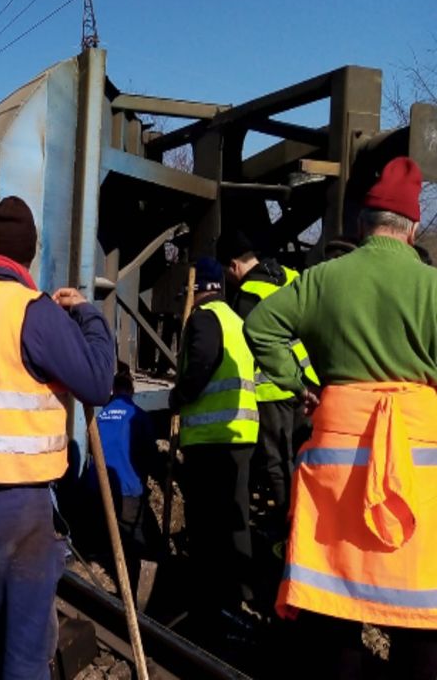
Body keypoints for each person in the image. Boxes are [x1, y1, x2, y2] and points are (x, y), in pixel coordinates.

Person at [244, 156, 437, 679]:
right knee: (420, 606)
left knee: (336, 603)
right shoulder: (431, 286)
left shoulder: (324, 279)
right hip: (419, 471)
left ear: (362, 223)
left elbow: (260, 327)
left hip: (336, 464)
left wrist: (298, 384)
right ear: (412, 227)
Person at [0, 196, 114, 680]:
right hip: (20, 503)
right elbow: (98, 381)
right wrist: (88, 315)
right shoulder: (33, 311)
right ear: (28, 252)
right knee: (27, 647)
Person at [169, 256, 259, 637]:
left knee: (206, 526)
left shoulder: (204, 318)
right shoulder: (235, 320)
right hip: (239, 434)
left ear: (197, 289)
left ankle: (209, 603)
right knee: (232, 519)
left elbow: (204, 359)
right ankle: (237, 597)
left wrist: (181, 395)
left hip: (211, 439)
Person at [217, 230, 315, 535]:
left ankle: (289, 527)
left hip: (273, 388)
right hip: (307, 383)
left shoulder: (248, 294)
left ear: (234, 265)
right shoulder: (291, 276)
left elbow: (246, 346)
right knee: (304, 455)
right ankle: (309, 518)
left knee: (277, 461)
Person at [85, 364, 155, 573]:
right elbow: (149, 454)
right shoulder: (138, 416)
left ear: (113, 391)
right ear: (132, 391)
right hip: (126, 490)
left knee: (102, 539)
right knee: (136, 542)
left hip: (96, 489)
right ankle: (138, 577)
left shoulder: (99, 417)